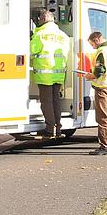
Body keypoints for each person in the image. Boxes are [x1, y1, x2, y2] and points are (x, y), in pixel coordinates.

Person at [30, 8, 71, 138]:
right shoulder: (63, 35)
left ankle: (50, 129)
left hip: (45, 73)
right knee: (55, 101)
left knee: (46, 102)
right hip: (58, 74)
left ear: (42, 20)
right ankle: (58, 128)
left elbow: (30, 52)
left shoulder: (40, 35)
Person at [84, 31, 107, 155]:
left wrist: (90, 76)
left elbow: (99, 70)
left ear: (97, 40)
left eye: (93, 44)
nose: (93, 47)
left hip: (102, 87)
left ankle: (105, 146)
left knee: (103, 117)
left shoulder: (102, 52)